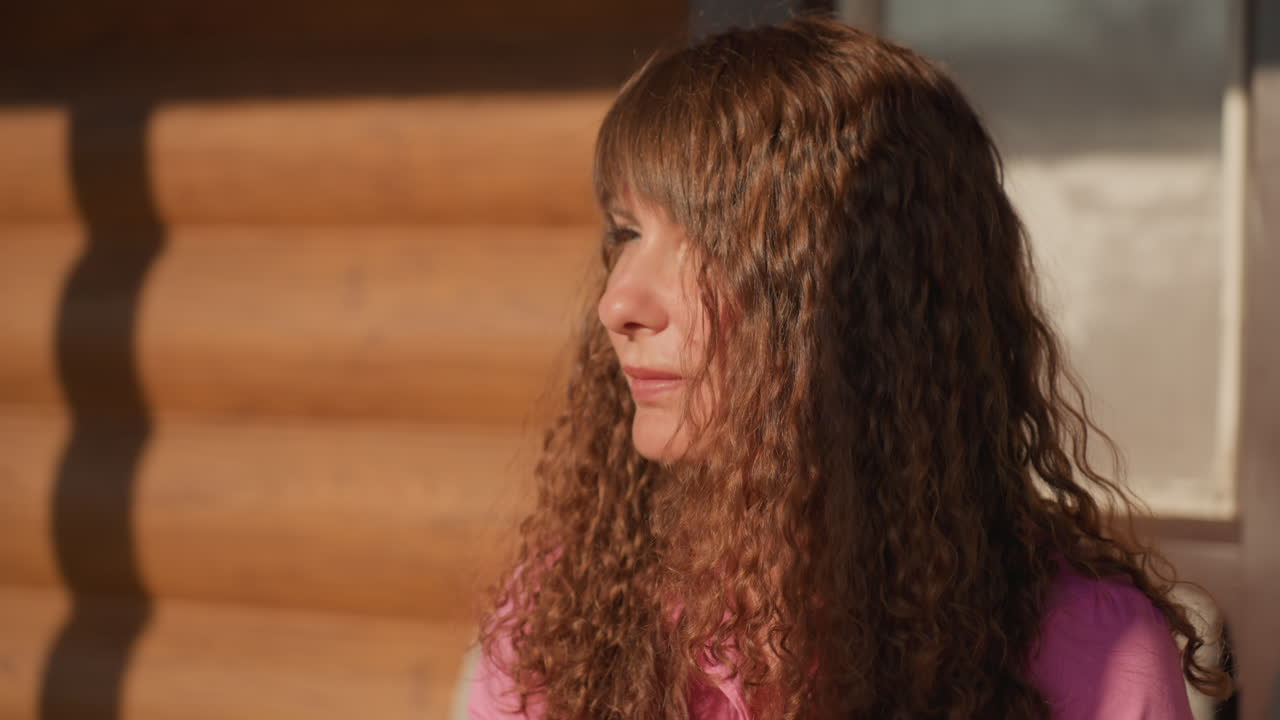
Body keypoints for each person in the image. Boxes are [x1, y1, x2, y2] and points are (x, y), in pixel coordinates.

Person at [467, 13, 1232, 720]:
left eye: (709, 241)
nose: (617, 303)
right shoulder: (561, 618)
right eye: (627, 233)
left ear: (872, 301)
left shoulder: (1096, 656)